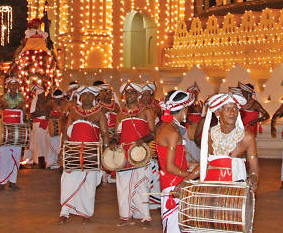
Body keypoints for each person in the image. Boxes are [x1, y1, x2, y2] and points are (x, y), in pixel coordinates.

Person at [59, 86, 108, 223]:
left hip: (91, 153)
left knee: (89, 184)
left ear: (94, 98)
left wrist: (105, 153)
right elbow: (66, 133)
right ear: (80, 97)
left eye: (90, 95)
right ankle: (65, 212)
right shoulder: (74, 112)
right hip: (73, 152)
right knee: (68, 181)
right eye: (84, 94)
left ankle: (86, 213)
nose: (87, 97)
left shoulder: (100, 114)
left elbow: (104, 134)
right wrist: (62, 150)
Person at [155, 90, 199, 233]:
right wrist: (189, 175)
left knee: (180, 223)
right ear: (183, 109)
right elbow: (170, 166)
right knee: (176, 225)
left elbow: (176, 160)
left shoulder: (166, 127)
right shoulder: (172, 132)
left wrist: (190, 167)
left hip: (172, 181)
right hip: (174, 183)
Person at [112, 81, 155, 225]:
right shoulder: (120, 115)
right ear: (123, 96)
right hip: (124, 154)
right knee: (123, 185)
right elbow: (117, 135)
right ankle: (125, 216)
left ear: (138, 95)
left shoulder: (147, 111)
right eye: (126, 93)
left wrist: (142, 140)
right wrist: (113, 142)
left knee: (142, 184)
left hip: (140, 154)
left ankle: (144, 216)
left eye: (132, 92)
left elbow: (154, 133)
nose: (129, 95)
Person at [198, 91, 260, 189]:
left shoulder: (246, 137)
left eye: (235, 109)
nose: (232, 113)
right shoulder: (211, 134)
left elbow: (254, 168)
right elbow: (204, 163)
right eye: (227, 109)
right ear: (217, 112)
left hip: (235, 190)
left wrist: (253, 177)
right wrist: (186, 180)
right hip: (211, 186)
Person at [0, 77, 25, 190]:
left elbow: (21, 109)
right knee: (4, 157)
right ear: (8, 86)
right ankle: (2, 183)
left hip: (17, 129)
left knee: (16, 157)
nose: (14, 86)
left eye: (16, 84)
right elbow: (6, 107)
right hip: (6, 130)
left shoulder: (22, 97)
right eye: (12, 84)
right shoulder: (3, 97)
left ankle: (13, 182)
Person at [27, 85, 49, 169]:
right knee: (39, 143)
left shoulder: (47, 101)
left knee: (44, 143)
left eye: (43, 94)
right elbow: (33, 114)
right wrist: (43, 114)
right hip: (38, 124)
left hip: (44, 124)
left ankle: (44, 161)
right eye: (41, 94)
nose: (43, 96)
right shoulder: (35, 101)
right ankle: (39, 161)